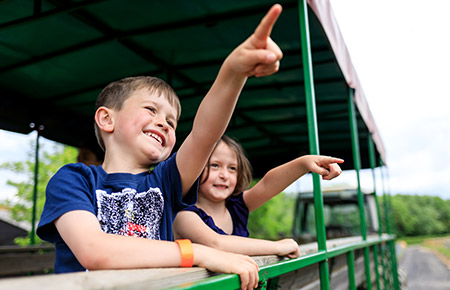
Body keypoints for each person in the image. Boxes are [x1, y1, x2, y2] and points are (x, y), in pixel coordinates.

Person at [36, 4, 283, 290]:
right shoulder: (74, 180)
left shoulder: (165, 181)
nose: (164, 123)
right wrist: (199, 252)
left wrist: (233, 72)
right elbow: (95, 250)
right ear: (107, 119)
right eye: (151, 110)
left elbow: (205, 134)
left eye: (172, 121)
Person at [173, 135, 344, 257]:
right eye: (215, 165)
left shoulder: (237, 206)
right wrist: (277, 246)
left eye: (232, 168)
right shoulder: (183, 215)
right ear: (195, 168)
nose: (224, 175)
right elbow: (216, 243)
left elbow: (267, 184)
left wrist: (303, 163)